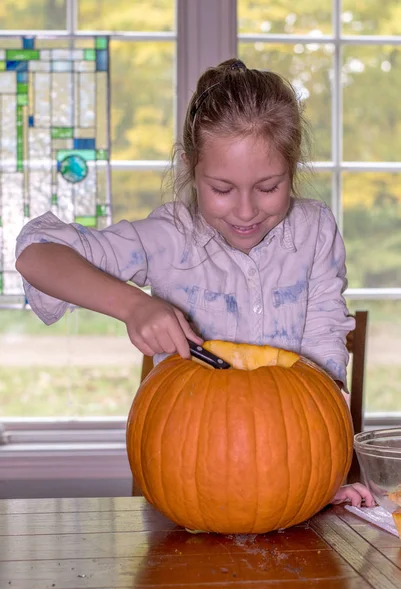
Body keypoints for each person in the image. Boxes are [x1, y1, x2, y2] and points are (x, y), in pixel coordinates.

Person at [15, 58, 374, 508]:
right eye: (222, 189)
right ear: (191, 167)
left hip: (296, 492)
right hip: (191, 488)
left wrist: (319, 478)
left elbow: (323, 353)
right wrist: (132, 305)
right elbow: (36, 253)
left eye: (268, 187)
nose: (246, 212)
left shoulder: (314, 230)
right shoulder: (170, 238)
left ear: (293, 166)